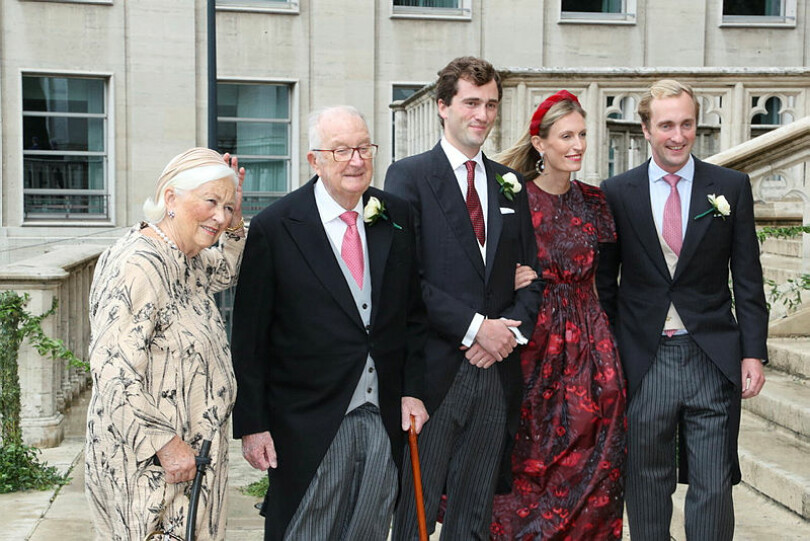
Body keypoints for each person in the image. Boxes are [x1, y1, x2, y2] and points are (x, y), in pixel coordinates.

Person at [230, 105, 429, 541]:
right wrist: (252, 424)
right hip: (306, 420)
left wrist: (414, 389)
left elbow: (413, 315)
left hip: (382, 414)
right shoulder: (276, 226)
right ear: (314, 160)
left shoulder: (395, 215)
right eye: (340, 150)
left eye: (362, 148)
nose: (355, 160)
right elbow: (249, 337)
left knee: (371, 529)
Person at [596, 79, 769, 540]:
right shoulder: (616, 192)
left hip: (712, 356)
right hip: (644, 359)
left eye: (687, 124)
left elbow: (748, 277)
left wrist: (753, 352)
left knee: (713, 484)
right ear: (646, 129)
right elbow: (604, 286)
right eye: (667, 125)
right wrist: (612, 354)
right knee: (647, 480)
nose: (678, 135)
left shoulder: (730, 186)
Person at [386, 56, 544, 540]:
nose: (482, 114)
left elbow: (532, 279)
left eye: (491, 104)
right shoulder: (409, 177)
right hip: (435, 373)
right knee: (417, 508)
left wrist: (505, 334)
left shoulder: (508, 182)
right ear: (442, 107)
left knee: (474, 515)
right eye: (471, 102)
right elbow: (405, 278)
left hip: (495, 371)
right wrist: (478, 328)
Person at [85, 147, 246, 540]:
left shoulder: (186, 257)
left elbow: (227, 269)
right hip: (153, 469)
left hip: (190, 464)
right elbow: (113, 370)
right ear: (171, 198)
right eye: (211, 202)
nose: (221, 217)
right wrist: (166, 444)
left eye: (227, 207)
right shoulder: (137, 263)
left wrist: (236, 212)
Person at [489, 90, 626, 540]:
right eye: (566, 135)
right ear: (540, 143)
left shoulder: (595, 201)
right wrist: (506, 281)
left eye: (583, 134)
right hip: (534, 348)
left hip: (593, 350)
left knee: (595, 463)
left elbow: (608, 282)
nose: (578, 145)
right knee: (530, 462)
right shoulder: (514, 200)